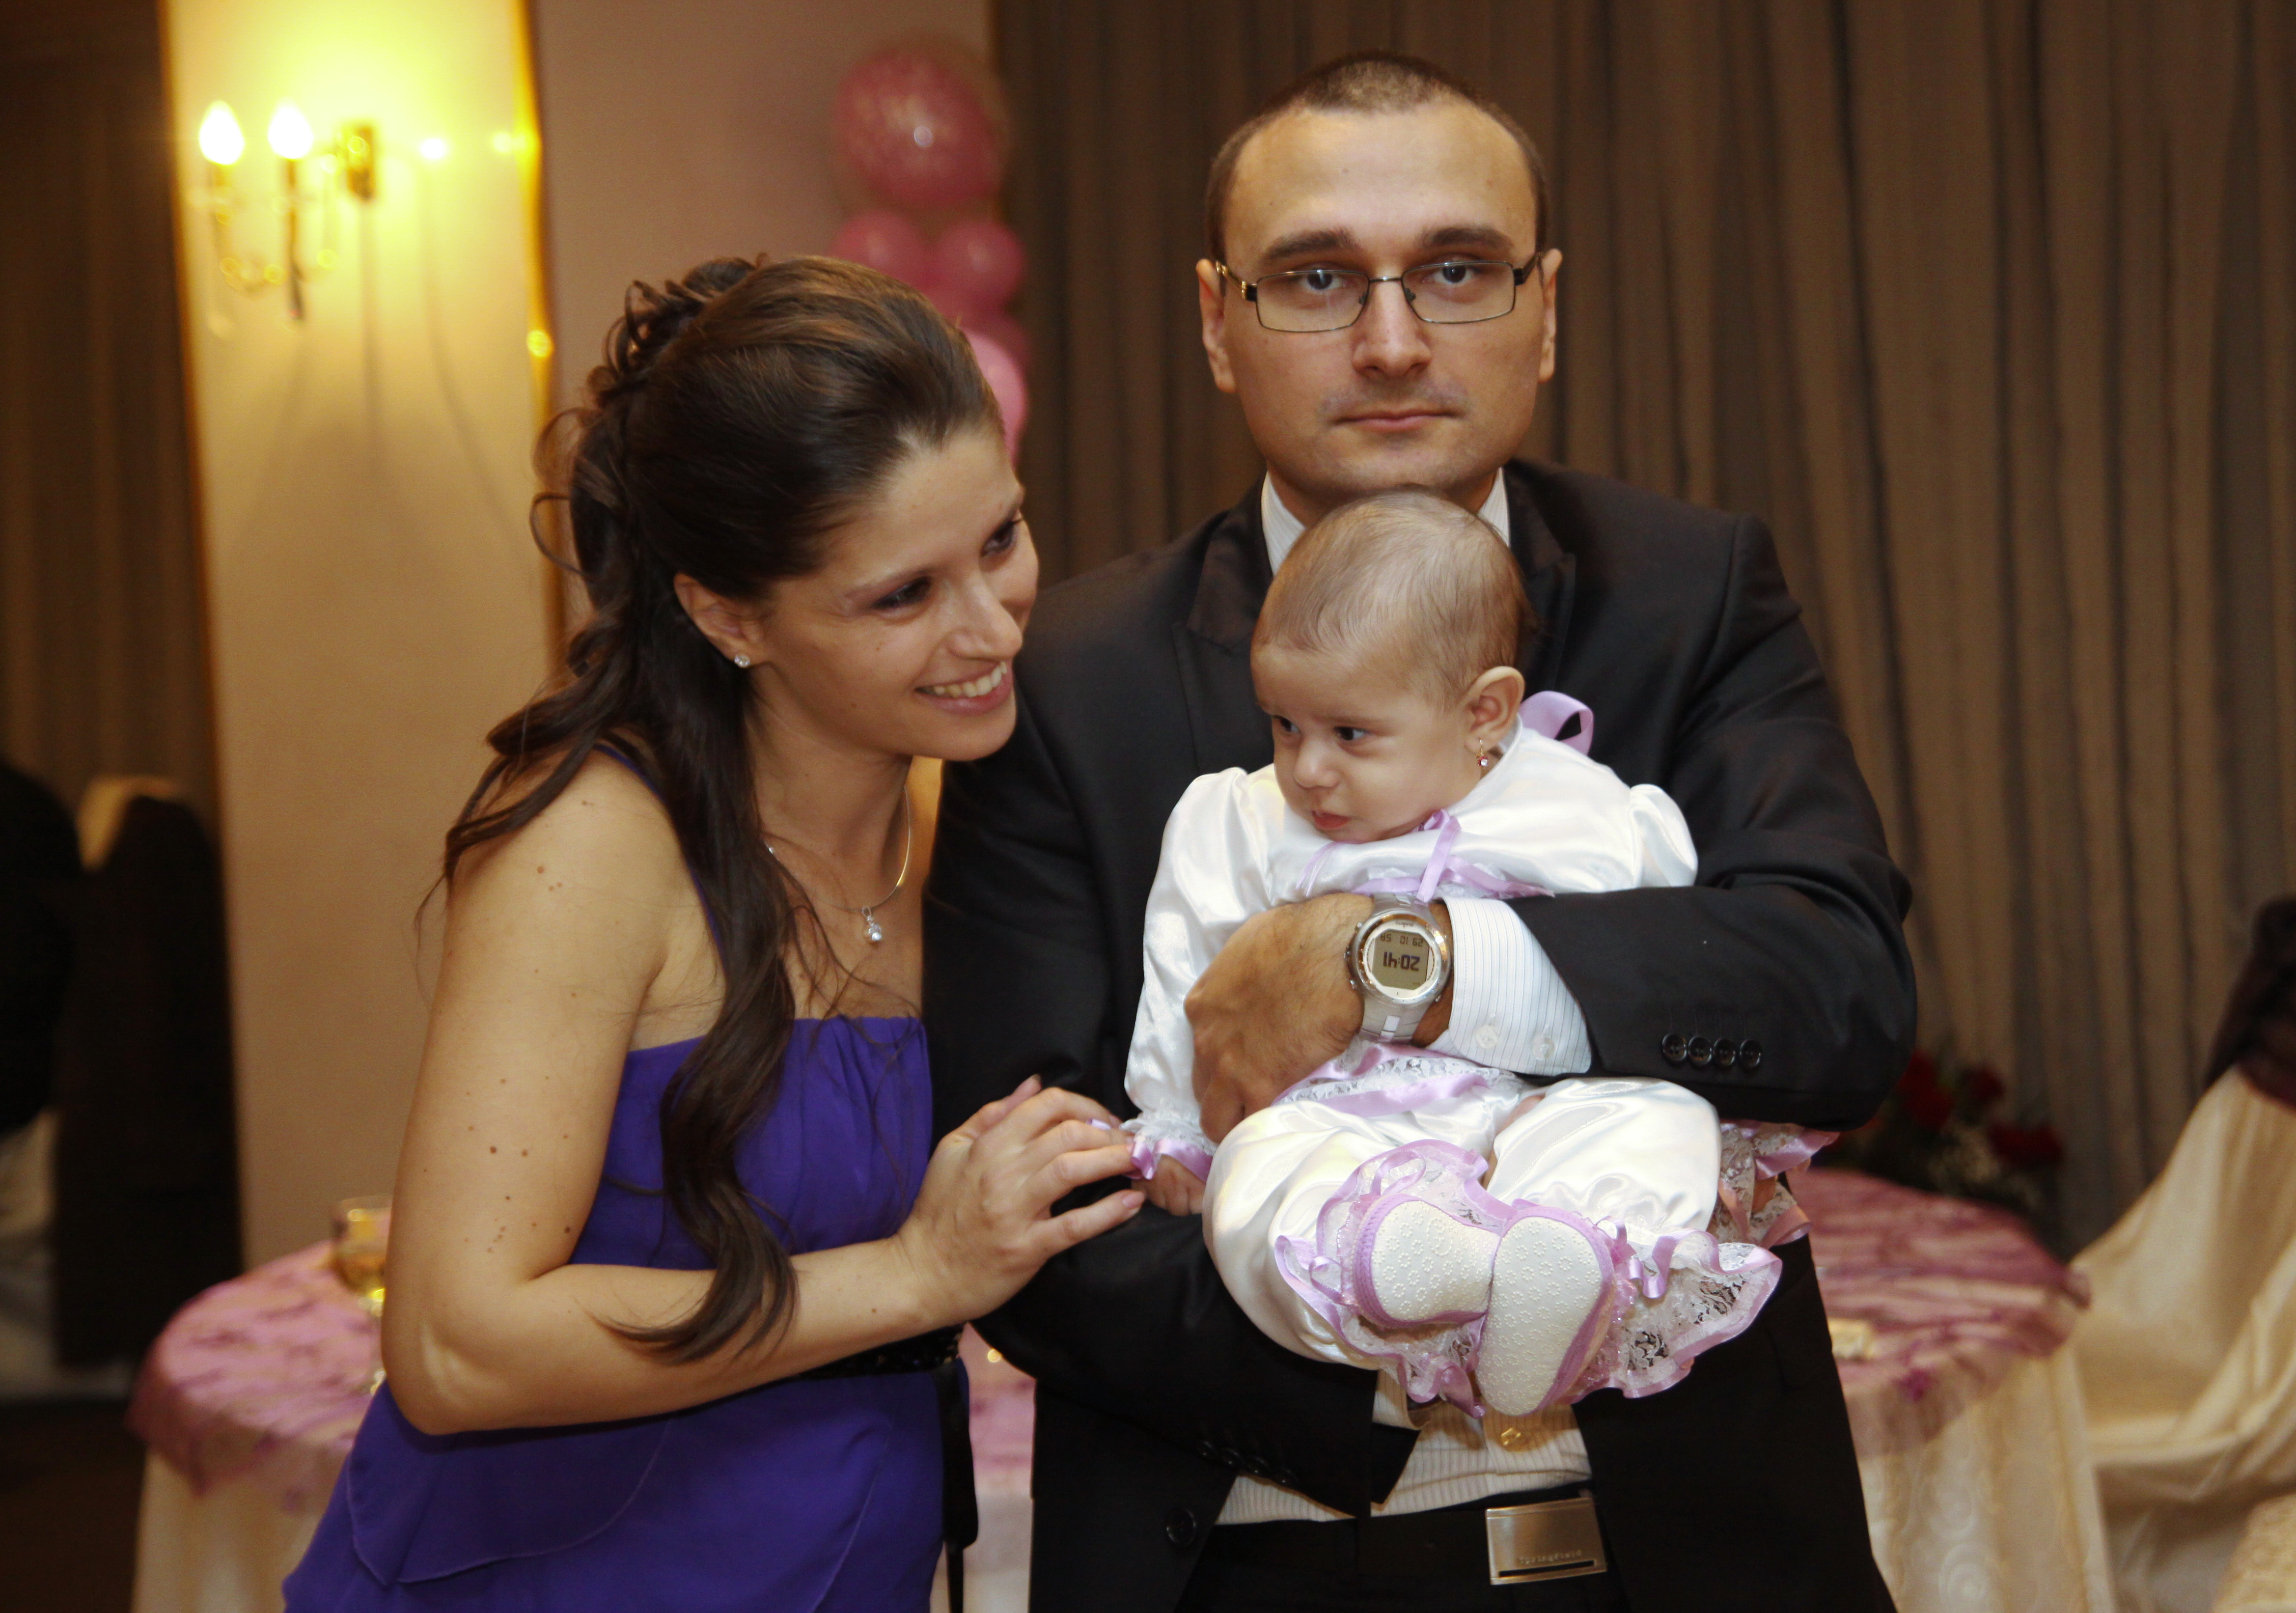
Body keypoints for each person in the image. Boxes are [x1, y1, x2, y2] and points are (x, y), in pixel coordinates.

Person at [924, 51, 1914, 1613]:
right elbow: (1028, 1187)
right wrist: (1407, 1329)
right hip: (1257, 1564)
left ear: (1546, 308)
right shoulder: (1073, 678)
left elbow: (1833, 990)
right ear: (1217, 321)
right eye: (1318, 279)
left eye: (1457, 271)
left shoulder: (1692, 591)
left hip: (1687, 1563)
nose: (1392, 343)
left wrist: (1404, 964)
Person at [285, 256, 1139, 1612]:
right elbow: (456, 1348)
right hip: (565, 1577)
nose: (992, 630)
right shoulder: (597, 842)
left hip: (846, 1561)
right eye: (902, 596)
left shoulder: (976, 829)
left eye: (1001, 541)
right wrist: (915, 1275)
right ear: (729, 614)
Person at [1122, 489, 1786, 1422]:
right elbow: (1186, 972)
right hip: (1341, 1116)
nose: (1307, 769)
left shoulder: (1581, 808)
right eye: (1284, 724)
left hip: (1536, 1105)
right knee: (1259, 1176)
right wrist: (1177, 1124)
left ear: (1484, 713)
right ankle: (1401, 1256)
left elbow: (1667, 963)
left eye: (1350, 734)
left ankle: (1558, 1267)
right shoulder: (1240, 818)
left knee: (1662, 1114)